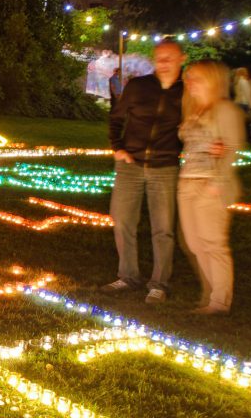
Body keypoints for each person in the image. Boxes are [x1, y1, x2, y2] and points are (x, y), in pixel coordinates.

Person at [102, 40, 186, 304]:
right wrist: (117, 147)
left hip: (165, 166)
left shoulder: (187, 92)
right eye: (159, 58)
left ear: (181, 59)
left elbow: (198, 121)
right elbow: (117, 117)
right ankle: (128, 275)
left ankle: (159, 283)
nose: (163, 63)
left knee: (163, 228)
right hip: (131, 164)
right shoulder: (139, 87)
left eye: (168, 58)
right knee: (123, 220)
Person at [177, 60, 244, 315]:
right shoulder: (193, 108)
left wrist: (216, 184)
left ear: (213, 81)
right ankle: (211, 293)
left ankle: (219, 300)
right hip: (187, 183)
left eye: (196, 78)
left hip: (209, 184)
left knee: (213, 243)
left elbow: (232, 149)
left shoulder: (225, 110)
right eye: (189, 78)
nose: (190, 83)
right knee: (194, 244)